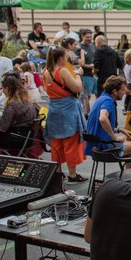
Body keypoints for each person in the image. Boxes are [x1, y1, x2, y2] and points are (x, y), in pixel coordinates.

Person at [42, 47, 87, 182]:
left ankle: (57, 172)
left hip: (54, 108)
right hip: (68, 109)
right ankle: (72, 174)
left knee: (57, 142)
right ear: (61, 58)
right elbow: (77, 88)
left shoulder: (45, 71)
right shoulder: (63, 71)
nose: (67, 58)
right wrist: (78, 74)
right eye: (66, 56)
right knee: (71, 141)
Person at [84, 75, 131, 167]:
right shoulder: (108, 101)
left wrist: (119, 130)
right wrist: (115, 137)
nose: (125, 92)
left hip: (95, 145)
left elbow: (99, 125)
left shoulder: (100, 98)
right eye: (123, 90)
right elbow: (103, 118)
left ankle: (129, 176)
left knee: (130, 147)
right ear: (115, 91)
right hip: (104, 146)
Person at [0, 72, 38, 150]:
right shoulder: (24, 100)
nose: (2, 90)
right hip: (25, 137)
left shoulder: (13, 105)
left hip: (17, 138)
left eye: (3, 88)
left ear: (7, 88)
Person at [78, 29, 98, 103]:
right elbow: (79, 63)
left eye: (90, 37)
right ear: (82, 36)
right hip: (85, 75)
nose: (89, 39)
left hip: (94, 75)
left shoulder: (92, 46)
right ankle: (85, 112)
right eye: (87, 37)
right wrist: (90, 66)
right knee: (86, 96)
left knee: (98, 94)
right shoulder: (79, 47)